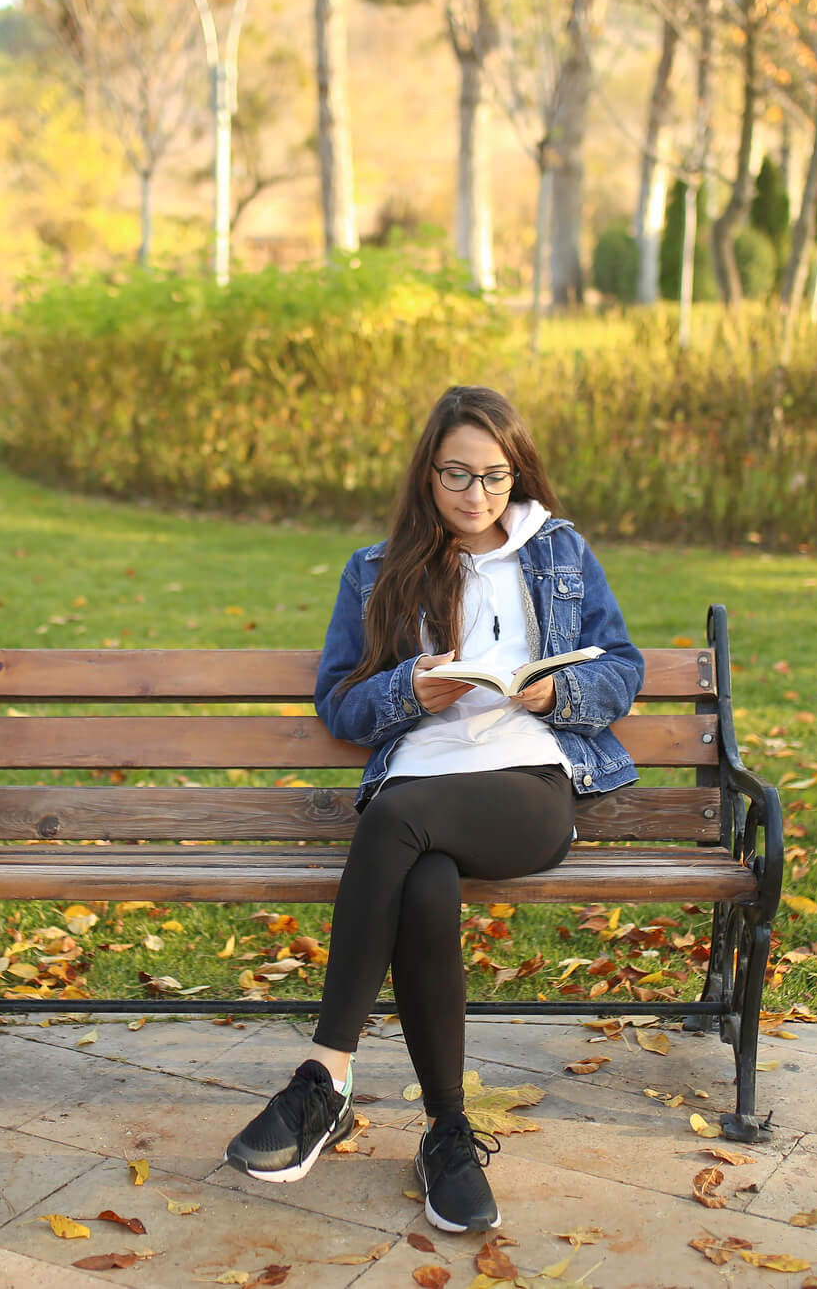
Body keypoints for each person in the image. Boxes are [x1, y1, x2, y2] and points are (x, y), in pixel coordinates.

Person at [223, 385, 644, 1234]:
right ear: (427, 474)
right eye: (457, 474)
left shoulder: (557, 550)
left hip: (529, 783)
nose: (477, 496)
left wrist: (559, 692)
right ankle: (446, 1134)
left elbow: (622, 669)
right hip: (420, 778)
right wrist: (407, 692)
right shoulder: (376, 569)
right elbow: (339, 702)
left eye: (495, 476)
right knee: (423, 888)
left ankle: (324, 1077)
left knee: (393, 824)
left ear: (517, 475)